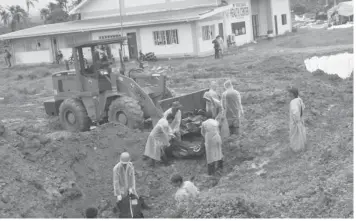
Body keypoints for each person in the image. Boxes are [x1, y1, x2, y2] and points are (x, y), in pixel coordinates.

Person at [288, 87, 307, 152]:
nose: (289, 94)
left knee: (295, 135)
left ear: (292, 94)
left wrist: (296, 120)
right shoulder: (299, 99)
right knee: (300, 133)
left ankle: (297, 149)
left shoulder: (293, 102)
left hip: (295, 121)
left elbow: (295, 112)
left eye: (290, 93)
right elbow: (303, 107)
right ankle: (302, 146)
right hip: (300, 119)